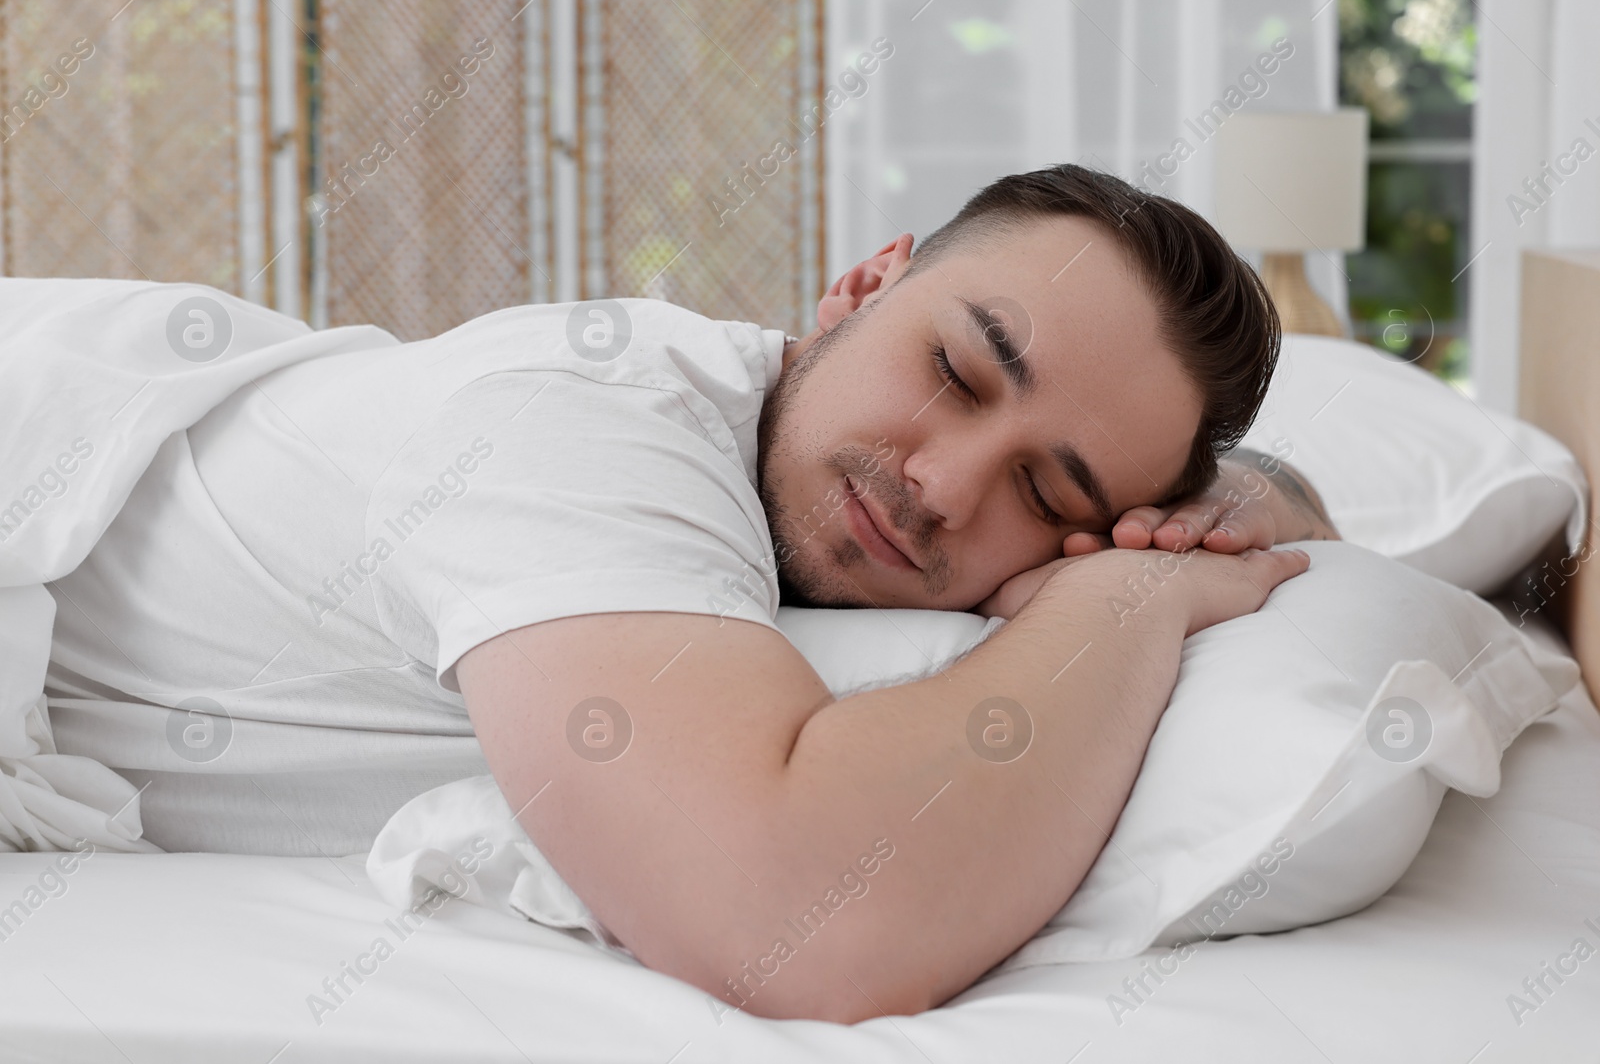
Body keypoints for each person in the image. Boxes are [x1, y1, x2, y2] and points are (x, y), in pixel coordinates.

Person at [43, 163, 1336, 1022]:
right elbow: (794, 919)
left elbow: (1320, 525)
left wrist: (1261, 497)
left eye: (1049, 498)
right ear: (862, 285)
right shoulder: (582, 424)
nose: (942, 484)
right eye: (953, 367)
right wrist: (1121, 607)